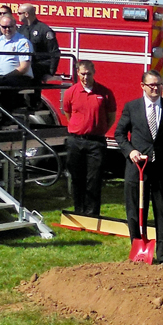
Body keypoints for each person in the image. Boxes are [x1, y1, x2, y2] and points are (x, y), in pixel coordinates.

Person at [115, 69, 163, 262]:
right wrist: (130, 151)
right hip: (137, 168)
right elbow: (119, 134)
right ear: (143, 86)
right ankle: (139, 248)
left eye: (158, 85)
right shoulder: (132, 107)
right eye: (151, 85)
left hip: (162, 169)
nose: (155, 89)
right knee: (135, 211)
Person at [63, 60, 117, 218]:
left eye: (88, 73)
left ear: (94, 72)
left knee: (94, 180)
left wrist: (97, 130)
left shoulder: (104, 93)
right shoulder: (71, 92)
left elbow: (111, 117)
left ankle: (92, 215)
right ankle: (78, 212)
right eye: (82, 74)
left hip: (96, 142)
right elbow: (68, 114)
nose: (85, 77)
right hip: (75, 141)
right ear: (78, 73)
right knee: (77, 178)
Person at [0, 14, 33, 113]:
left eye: (10, 27)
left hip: (20, 77)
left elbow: (24, 67)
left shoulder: (22, 42)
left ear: (15, 26)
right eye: (4, 27)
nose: (7, 29)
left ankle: (6, 119)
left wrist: (6, 77)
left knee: (6, 89)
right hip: (1, 77)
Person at [17, 3, 60, 81]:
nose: (17, 15)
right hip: (24, 69)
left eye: (19, 13)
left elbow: (54, 53)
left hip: (39, 70)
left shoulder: (44, 30)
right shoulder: (20, 30)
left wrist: (50, 73)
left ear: (26, 14)